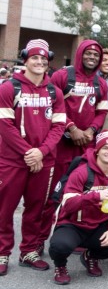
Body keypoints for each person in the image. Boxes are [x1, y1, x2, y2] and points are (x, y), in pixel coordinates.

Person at [0, 39, 65, 276]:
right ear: (25, 60)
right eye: (34, 58)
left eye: (43, 59)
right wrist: (29, 152)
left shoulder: (54, 92)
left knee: (36, 208)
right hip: (12, 160)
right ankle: (2, 252)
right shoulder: (9, 87)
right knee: (4, 209)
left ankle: (28, 251)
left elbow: (58, 127)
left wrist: (41, 152)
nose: (39, 62)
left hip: (44, 161)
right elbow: (5, 125)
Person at [42, 40, 108, 252]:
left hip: (85, 145)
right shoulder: (63, 76)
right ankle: (40, 240)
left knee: (81, 191)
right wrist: (71, 128)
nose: (92, 57)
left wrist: (90, 131)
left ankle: (75, 234)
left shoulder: (102, 84)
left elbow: (101, 112)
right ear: (80, 53)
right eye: (88, 53)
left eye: (96, 55)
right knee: (54, 192)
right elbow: (51, 105)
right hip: (61, 144)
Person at [48, 131, 108, 285]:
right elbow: (68, 205)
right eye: (105, 148)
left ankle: (91, 256)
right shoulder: (81, 172)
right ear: (97, 151)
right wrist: (96, 195)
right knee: (59, 246)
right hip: (73, 224)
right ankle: (60, 266)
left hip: (98, 225)